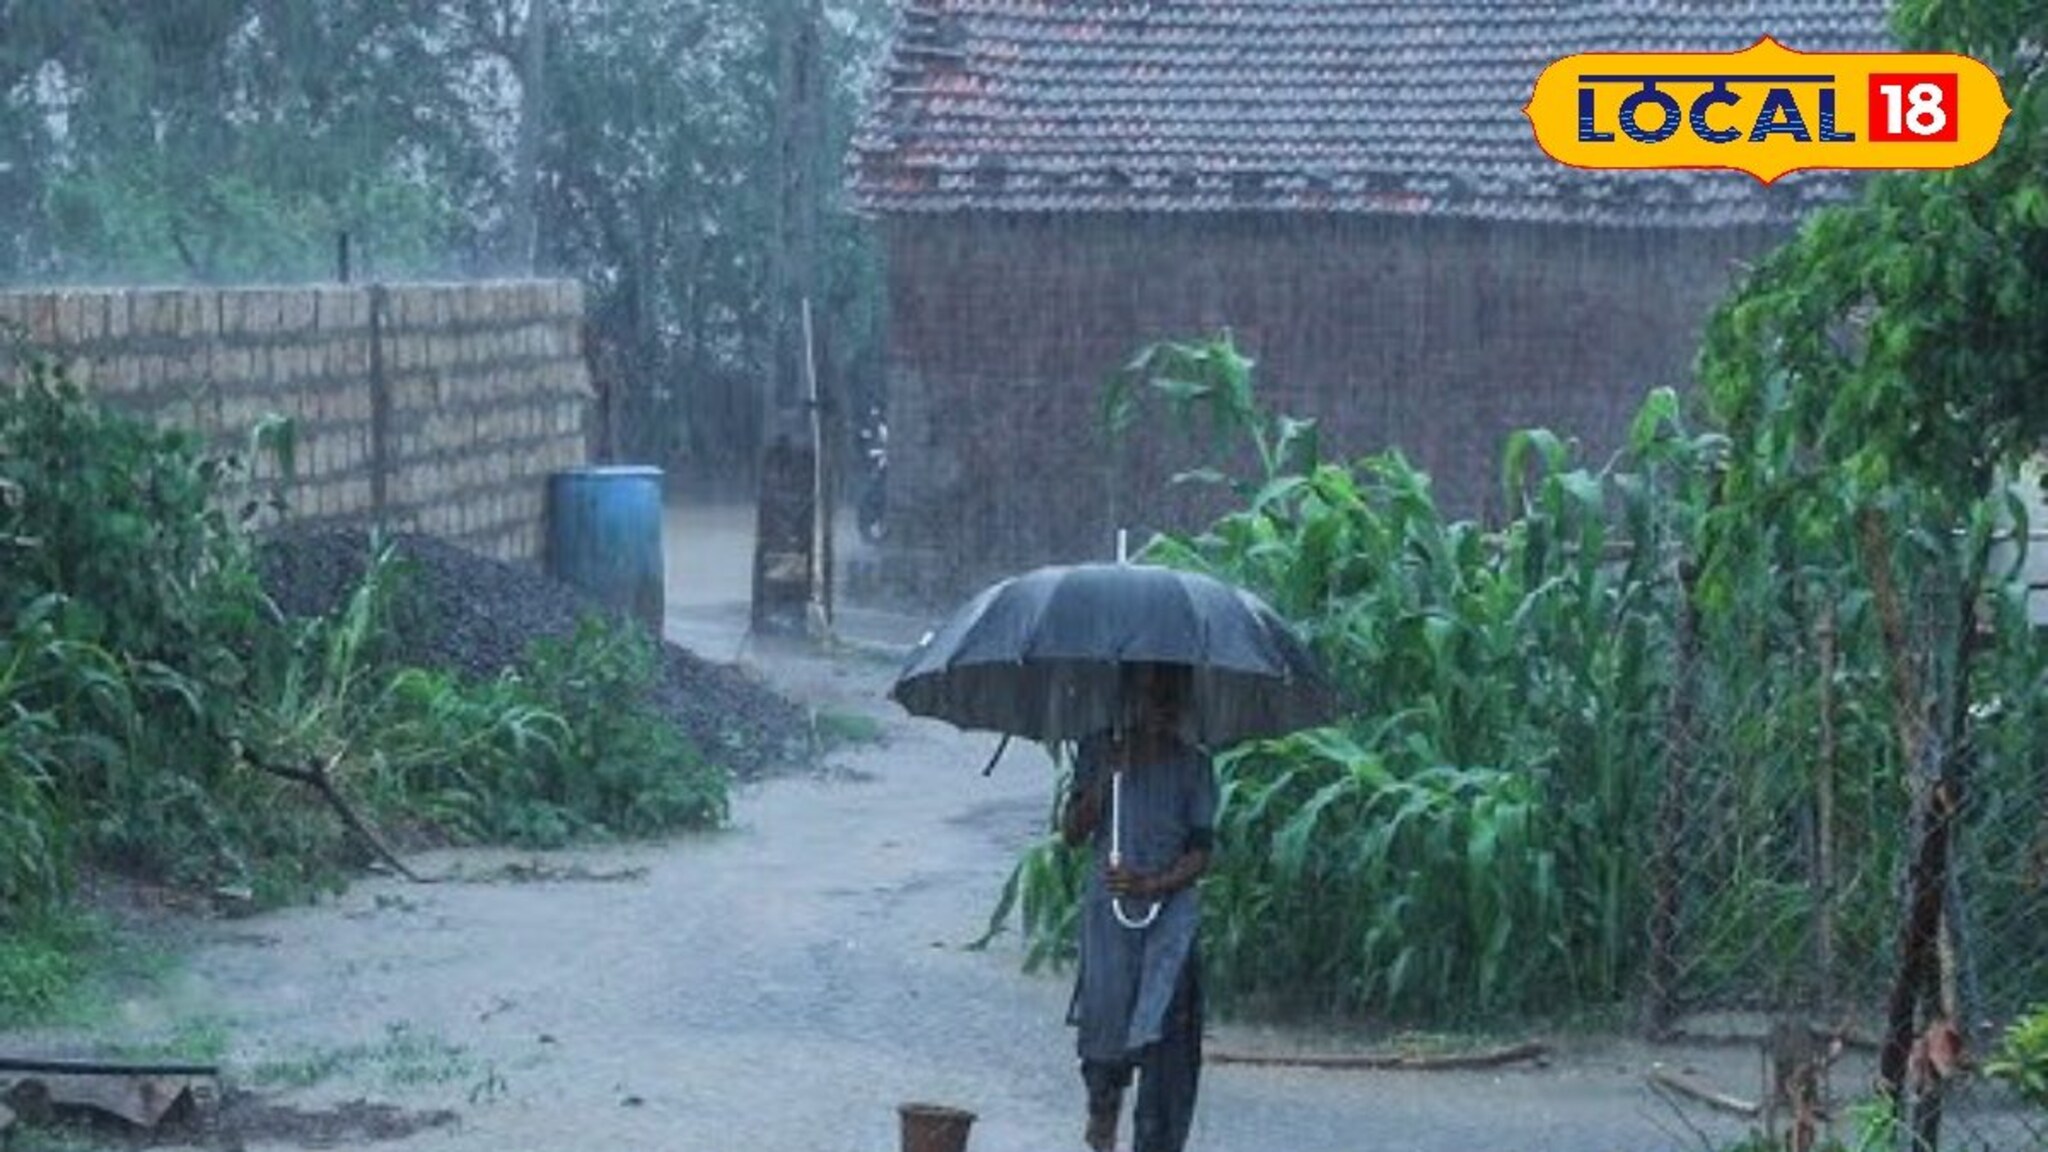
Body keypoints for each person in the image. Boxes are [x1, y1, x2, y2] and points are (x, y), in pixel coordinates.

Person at [1060, 663, 1217, 1152]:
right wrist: (1107, 778)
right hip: (1109, 912)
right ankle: (1103, 1111)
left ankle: (1156, 1141)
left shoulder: (1194, 765)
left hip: (1170, 918)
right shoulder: (1097, 750)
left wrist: (1152, 884)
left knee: (1165, 1032)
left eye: (1168, 697)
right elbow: (1072, 832)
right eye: (1149, 696)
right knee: (1105, 1023)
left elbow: (1201, 852)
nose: (1159, 708)